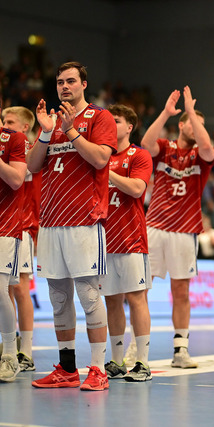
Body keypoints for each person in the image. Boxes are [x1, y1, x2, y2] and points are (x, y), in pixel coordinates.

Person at [28, 62, 117, 391]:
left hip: (84, 221)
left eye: (70, 81)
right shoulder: (52, 121)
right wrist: (46, 131)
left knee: (89, 296)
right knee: (59, 298)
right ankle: (67, 369)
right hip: (51, 222)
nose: (64, 86)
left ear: (83, 84)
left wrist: (71, 131)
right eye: (60, 82)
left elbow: (101, 159)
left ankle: (98, 369)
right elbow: (33, 165)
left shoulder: (100, 117)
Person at [141, 86, 214, 368]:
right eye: (192, 123)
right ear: (181, 125)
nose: (197, 128)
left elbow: (207, 147)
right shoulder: (165, 148)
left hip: (185, 231)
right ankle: (137, 348)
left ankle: (180, 350)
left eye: (201, 125)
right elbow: (145, 143)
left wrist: (192, 114)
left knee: (181, 291)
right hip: (155, 226)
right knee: (139, 289)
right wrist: (166, 113)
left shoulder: (202, 155)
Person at [100, 104, 153, 382]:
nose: (111, 124)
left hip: (131, 240)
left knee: (136, 298)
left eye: (117, 121)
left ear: (129, 127)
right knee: (111, 301)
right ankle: (117, 361)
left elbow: (136, 188)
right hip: (103, 241)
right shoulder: (100, 154)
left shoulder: (139, 155)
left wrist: (104, 170)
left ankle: (142, 362)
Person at [1, 106, 38, 372]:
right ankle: (11, 346)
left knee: (20, 288)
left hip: (22, 223)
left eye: (11, 121)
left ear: (25, 126)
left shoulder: (27, 147)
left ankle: (25, 351)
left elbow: (16, 179)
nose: (6, 125)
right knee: (8, 288)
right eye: (4, 120)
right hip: (12, 221)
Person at [0, 108, 27, 383]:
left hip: (5, 226)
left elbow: (17, 179)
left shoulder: (14, 139)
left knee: (1, 291)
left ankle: (10, 354)